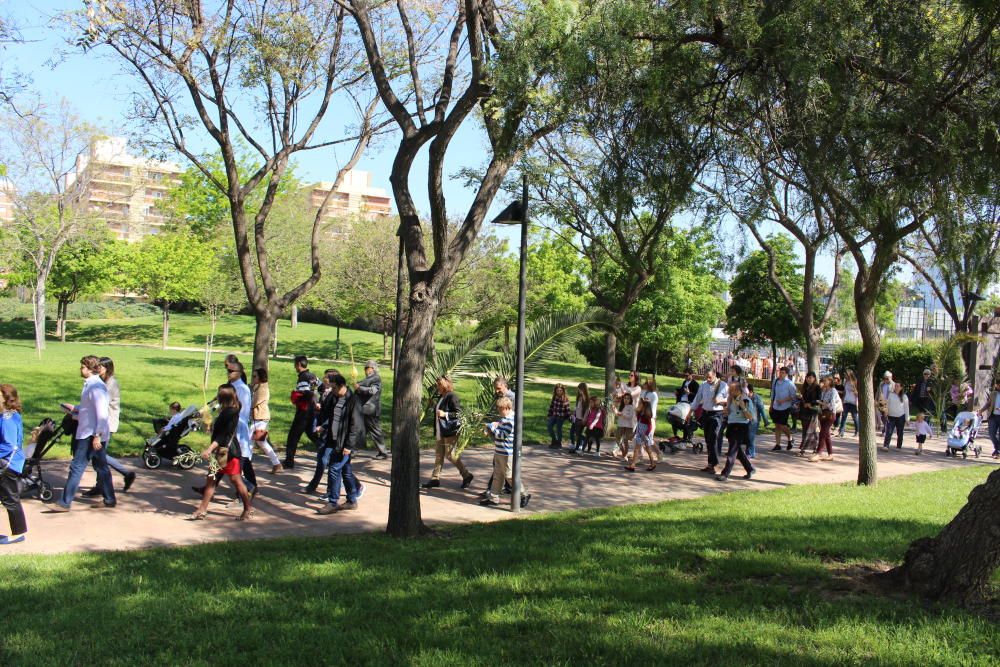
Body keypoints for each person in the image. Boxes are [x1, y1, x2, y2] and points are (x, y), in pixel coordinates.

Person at [53, 355, 115, 511]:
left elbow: (102, 413)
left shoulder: (96, 387)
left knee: (77, 466)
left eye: (82, 366)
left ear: (89, 368)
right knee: (101, 467)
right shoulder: (90, 385)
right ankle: (109, 499)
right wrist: (75, 409)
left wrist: (97, 436)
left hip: (90, 435)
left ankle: (65, 502)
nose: (80, 369)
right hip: (89, 432)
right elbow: (89, 409)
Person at [189, 384, 253, 521]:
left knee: (236, 480)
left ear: (222, 398)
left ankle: (247, 508)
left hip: (228, 453)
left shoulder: (229, 413)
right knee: (211, 480)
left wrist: (209, 449)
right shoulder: (231, 409)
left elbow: (222, 437)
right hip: (222, 452)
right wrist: (211, 425)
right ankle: (202, 510)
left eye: (218, 396)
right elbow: (220, 430)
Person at [83, 357, 137, 497]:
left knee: (99, 456)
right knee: (98, 456)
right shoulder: (101, 382)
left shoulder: (112, 384)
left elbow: (102, 404)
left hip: (107, 424)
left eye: (100, 367)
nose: (97, 369)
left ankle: (122, 476)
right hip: (101, 423)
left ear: (106, 368)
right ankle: (102, 485)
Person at [317, 374, 365, 514]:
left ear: (340, 386)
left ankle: (333, 502)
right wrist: (324, 427)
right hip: (334, 440)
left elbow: (355, 425)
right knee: (346, 471)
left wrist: (349, 446)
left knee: (334, 469)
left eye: (332, 387)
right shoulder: (336, 398)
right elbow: (334, 418)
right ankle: (351, 500)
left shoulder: (353, 400)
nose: (331, 390)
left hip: (344, 443)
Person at [423, 376, 473, 489]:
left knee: (450, 455)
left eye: (439, 385)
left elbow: (458, 414)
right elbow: (438, 411)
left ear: (445, 385)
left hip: (450, 431)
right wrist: (432, 406)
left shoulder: (452, 396)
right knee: (439, 455)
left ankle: (466, 475)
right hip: (441, 430)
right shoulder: (442, 396)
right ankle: (435, 478)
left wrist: (445, 414)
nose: (437, 387)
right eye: (437, 385)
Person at [479, 397, 530, 508]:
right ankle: (493, 498)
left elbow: (502, 435)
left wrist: (491, 427)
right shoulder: (504, 418)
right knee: (498, 476)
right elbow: (499, 428)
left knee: (509, 475)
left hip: (507, 454)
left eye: (500, 409)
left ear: (506, 408)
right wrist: (493, 426)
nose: (499, 412)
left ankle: (523, 494)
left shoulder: (510, 420)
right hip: (499, 451)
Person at [0, 384, 27, 544]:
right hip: (7, 462)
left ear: (6, 398)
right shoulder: (6, 415)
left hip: (8, 464)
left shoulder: (8, 418)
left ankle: (18, 533)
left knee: (10, 498)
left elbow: (10, 445)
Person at [226, 361, 257, 496]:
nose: (228, 373)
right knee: (225, 464)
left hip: (238, 428)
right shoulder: (231, 386)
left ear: (239, 373)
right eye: (227, 370)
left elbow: (240, 411)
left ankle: (246, 490)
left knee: (235, 466)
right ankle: (208, 488)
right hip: (231, 428)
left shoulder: (242, 389)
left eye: (231, 371)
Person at [283, 355, 319, 469]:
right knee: (312, 434)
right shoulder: (313, 376)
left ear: (299, 364)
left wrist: (296, 397)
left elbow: (307, 393)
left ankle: (289, 461)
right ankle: (328, 454)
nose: (295, 367)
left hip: (303, 411)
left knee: (293, 436)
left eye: (295, 365)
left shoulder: (303, 377)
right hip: (312, 411)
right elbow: (321, 386)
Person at [717, 381, 756, 481]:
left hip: (741, 426)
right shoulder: (731, 399)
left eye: (731, 390)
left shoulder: (745, 400)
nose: (729, 392)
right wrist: (726, 410)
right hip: (731, 425)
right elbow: (729, 412)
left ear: (738, 390)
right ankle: (750, 468)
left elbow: (750, 417)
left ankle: (725, 474)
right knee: (737, 450)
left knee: (732, 451)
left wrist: (743, 407)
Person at [692, 370, 728, 474]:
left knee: (713, 439)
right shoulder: (703, 385)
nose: (708, 379)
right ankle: (710, 464)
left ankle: (715, 464)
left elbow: (730, 398)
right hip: (705, 413)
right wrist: (691, 411)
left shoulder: (723, 385)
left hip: (717, 414)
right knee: (708, 440)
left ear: (715, 375)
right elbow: (697, 398)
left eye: (710, 377)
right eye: (706, 377)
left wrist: (721, 400)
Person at [251, 367, 283, 474]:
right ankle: (276, 464)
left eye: (255, 376)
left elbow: (254, 403)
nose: (253, 378)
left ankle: (244, 465)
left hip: (260, 417)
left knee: (249, 440)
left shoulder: (262, 389)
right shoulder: (258, 387)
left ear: (260, 377)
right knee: (261, 442)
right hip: (258, 417)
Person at [354, 360, 388, 460]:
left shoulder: (376, 378)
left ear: (372, 369)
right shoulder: (368, 378)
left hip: (371, 409)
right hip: (364, 409)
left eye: (367, 368)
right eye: (365, 368)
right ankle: (353, 450)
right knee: (358, 430)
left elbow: (372, 391)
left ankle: (383, 452)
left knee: (375, 431)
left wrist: (359, 388)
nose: (365, 370)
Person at [809, 376, 842, 462]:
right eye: (824, 380)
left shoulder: (833, 391)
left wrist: (822, 403)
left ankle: (819, 453)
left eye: (826, 381)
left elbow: (832, 405)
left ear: (830, 382)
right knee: (826, 435)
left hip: (830, 414)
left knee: (822, 433)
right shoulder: (824, 391)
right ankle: (830, 454)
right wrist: (820, 403)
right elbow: (822, 402)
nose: (824, 382)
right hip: (823, 414)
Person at [770, 366, 797, 451]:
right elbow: (773, 393)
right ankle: (778, 444)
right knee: (777, 425)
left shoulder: (789, 383)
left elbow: (793, 396)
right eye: (780, 372)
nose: (781, 374)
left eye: (783, 373)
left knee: (782, 425)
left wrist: (784, 400)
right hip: (775, 406)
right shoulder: (776, 381)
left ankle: (790, 438)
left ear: (786, 374)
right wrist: (771, 405)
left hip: (785, 406)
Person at [626, 399, 656, 471]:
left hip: (645, 434)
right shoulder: (639, 414)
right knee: (636, 449)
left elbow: (649, 426)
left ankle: (652, 464)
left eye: (640, 404)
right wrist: (634, 433)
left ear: (644, 406)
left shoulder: (646, 415)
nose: (638, 405)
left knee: (648, 449)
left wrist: (646, 434)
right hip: (639, 433)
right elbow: (638, 424)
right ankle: (632, 465)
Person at [797, 371, 822, 453]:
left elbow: (819, 399)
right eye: (807, 377)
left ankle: (814, 449)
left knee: (813, 431)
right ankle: (803, 448)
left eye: (810, 378)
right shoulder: (804, 387)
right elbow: (802, 399)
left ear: (814, 378)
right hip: (804, 411)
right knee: (805, 430)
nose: (808, 379)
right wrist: (800, 398)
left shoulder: (817, 387)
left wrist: (810, 403)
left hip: (812, 411)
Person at [883, 382, 909, 450]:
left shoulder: (904, 396)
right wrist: (886, 411)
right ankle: (886, 445)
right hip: (891, 416)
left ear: (901, 388)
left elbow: (906, 408)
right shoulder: (891, 395)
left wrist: (907, 419)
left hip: (900, 417)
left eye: (898, 386)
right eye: (895, 386)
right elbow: (887, 404)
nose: (896, 387)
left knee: (900, 432)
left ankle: (899, 446)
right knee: (889, 431)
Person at [979, 378, 1000, 460]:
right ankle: (997, 448)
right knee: (991, 434)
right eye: (998, 385)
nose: (999, 386)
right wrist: (981, 410)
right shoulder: (993, 394)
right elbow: (988, 404)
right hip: (993, 416)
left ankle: (998, 451)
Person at [546, 384, 572, 449]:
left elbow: (568, 409)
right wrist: (549, 415)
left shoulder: (565, 399)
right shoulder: (554, 397)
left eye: (560, 390)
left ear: (563, 391)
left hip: (561, 417)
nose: (559, 392)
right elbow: (551, 407)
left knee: (558, 429)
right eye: (557, 390)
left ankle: (559, 443)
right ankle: (554, 440)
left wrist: (569, 417)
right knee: (549, 426)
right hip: (554, 415)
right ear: (555, 391)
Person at [746, 385, 769, 459]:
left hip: (754, 421)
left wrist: (766, 421)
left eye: (747, 392)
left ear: (751, 391)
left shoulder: (757, 398)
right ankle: (748, 452)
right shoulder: (745, 398)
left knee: (751, 437)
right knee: (747, 437)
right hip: (746, 420)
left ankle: (751, 453)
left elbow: (762, 410)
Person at [641, 379, 661, 461]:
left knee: (649, 439)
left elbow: (652, 407)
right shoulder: (645, 392)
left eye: (646, 383)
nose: (644, 384)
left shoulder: (653, 395)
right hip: (643, 417)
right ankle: (640, 456)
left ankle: (659, 453)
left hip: (650, 418)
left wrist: (645, 402)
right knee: (640, 438)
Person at [612, 392, 635, 459]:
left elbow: (630, 416)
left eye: (628, 398)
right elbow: (617, 414)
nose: (626, 400)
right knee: (617, 439)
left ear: (630, 400)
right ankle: (623, 453)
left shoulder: (631, 407)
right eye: (625, 398)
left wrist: (621, 414)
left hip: (628, 426)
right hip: (620, 424)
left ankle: (624, 455)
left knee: (625, 440)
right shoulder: (621, 406)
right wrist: (614, 410)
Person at [569, 383, 589, 452]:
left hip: (581, 419)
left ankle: (583, 443)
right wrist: (573, 413)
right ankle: (577, 447)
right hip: (576, 418)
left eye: (580, 389)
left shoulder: (586, 399)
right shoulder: (579, 397)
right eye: (578, 389)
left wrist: (584, 418)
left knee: (578, 434)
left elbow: (587, 410)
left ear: (584, 389)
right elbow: (577, 407)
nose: (579, 391)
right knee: (575, 433)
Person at [838, 370, 860, 437]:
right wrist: (839, 393)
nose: (845, 376)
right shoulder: (846, 382)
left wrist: (854, 391)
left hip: (853, 402)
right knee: (844, 417)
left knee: (855, 417)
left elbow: (858, 393)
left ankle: (857, 431)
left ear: (849, 375)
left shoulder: (855, 382)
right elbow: (845, 392)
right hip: (846, 401)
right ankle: (841, 432)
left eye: (846, 375)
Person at [877, 371, 894, 435]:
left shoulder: (893, 385)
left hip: (888, 403)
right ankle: (886, 428)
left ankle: (885, 430)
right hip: (881, 402)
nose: (885, 380)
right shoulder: (881, 384)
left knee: (885, 416)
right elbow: (878, 393)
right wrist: (876, 399)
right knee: (882, 417)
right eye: (885, 378)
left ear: (891, 378)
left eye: (887, 378)